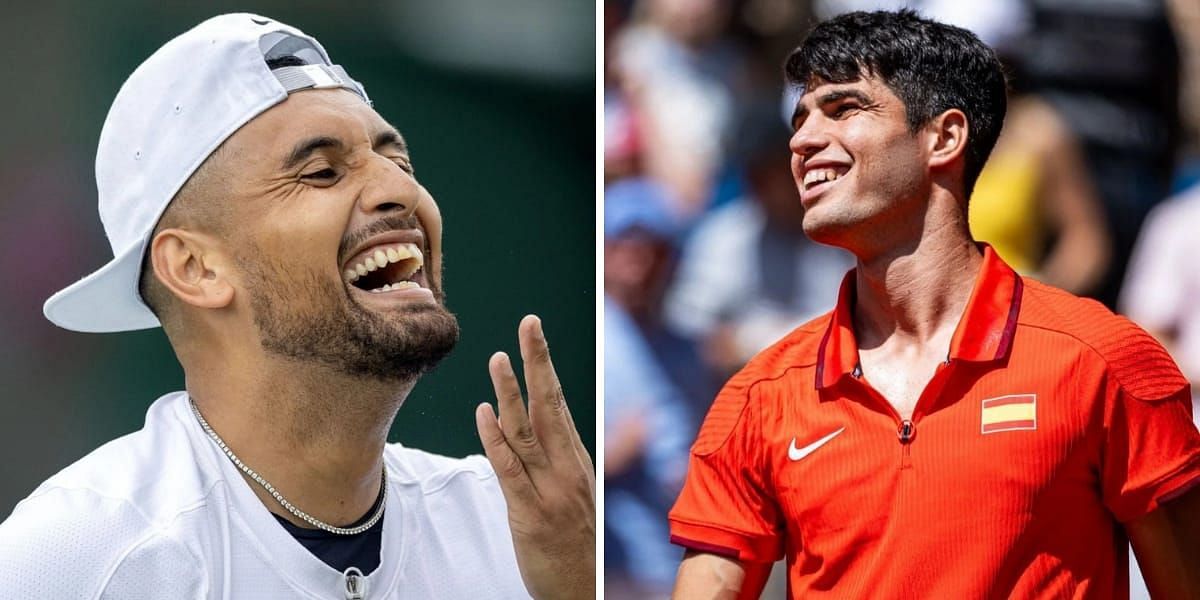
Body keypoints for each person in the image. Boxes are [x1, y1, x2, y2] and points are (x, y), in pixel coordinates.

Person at [0, 14, 594, 599]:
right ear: (194, 268)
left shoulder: (519, 527)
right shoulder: (79, 554)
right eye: (321, 172)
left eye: (399, 162)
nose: (399, 190)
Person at [668, 10, 1200, 599]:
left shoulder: (1107, 361)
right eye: (800, 118)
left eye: (843, 110)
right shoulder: (757, 397)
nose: (801, 140)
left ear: (944, 137)